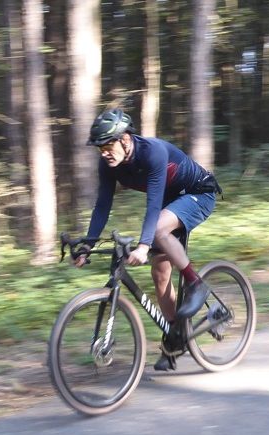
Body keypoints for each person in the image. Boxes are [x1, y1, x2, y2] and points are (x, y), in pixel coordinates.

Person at [74, 108, 222, 371]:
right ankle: (175, 338)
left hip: (198, 192)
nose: (105, 152)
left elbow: (153, 206)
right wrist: (88, 243)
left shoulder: (152, 153)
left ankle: (196, 284)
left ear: (125, 139)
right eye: (100, 148)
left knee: (157, 231)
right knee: (160, 274)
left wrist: (144, 245)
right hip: (171, 199)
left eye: (108, 145)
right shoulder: (109, 165)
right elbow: (102, 206)